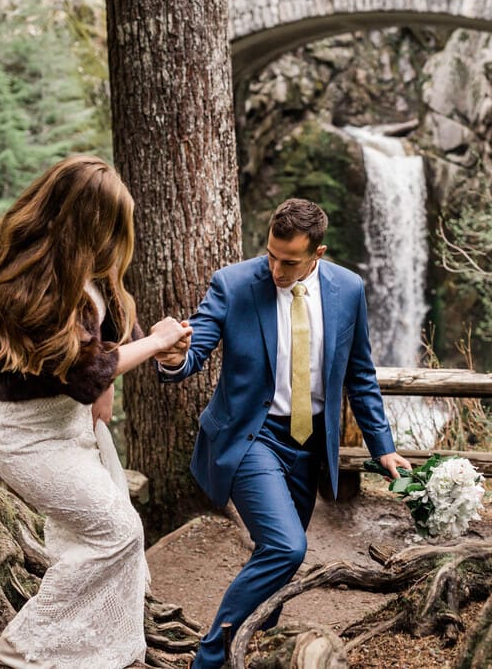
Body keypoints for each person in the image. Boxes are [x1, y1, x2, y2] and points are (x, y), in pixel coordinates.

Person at [0, 155, 192, 669]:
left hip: (72, 425)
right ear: (82, 220)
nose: (113, 239)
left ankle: (97, 646)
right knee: (116, 534)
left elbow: (107, 341)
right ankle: (27, 645)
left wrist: (153, 349)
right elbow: (84, 369)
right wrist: (150, 346)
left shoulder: (87, 270)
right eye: (106, 225)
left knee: (103, 529)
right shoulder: (26, 282)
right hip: (24, 435)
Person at [155, 197, 411, 668]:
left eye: (289, 260)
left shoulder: (348, 289)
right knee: (286, 547)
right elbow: (196, 348)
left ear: (318, 252)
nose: (276, 267)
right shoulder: (233, 284)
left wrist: (384, 448)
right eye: (271, 254)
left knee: (279, 559)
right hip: (253, 437)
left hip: (309, 446)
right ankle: (210, 659)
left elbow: (360, 374)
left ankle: (256, 651)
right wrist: (174, 358)